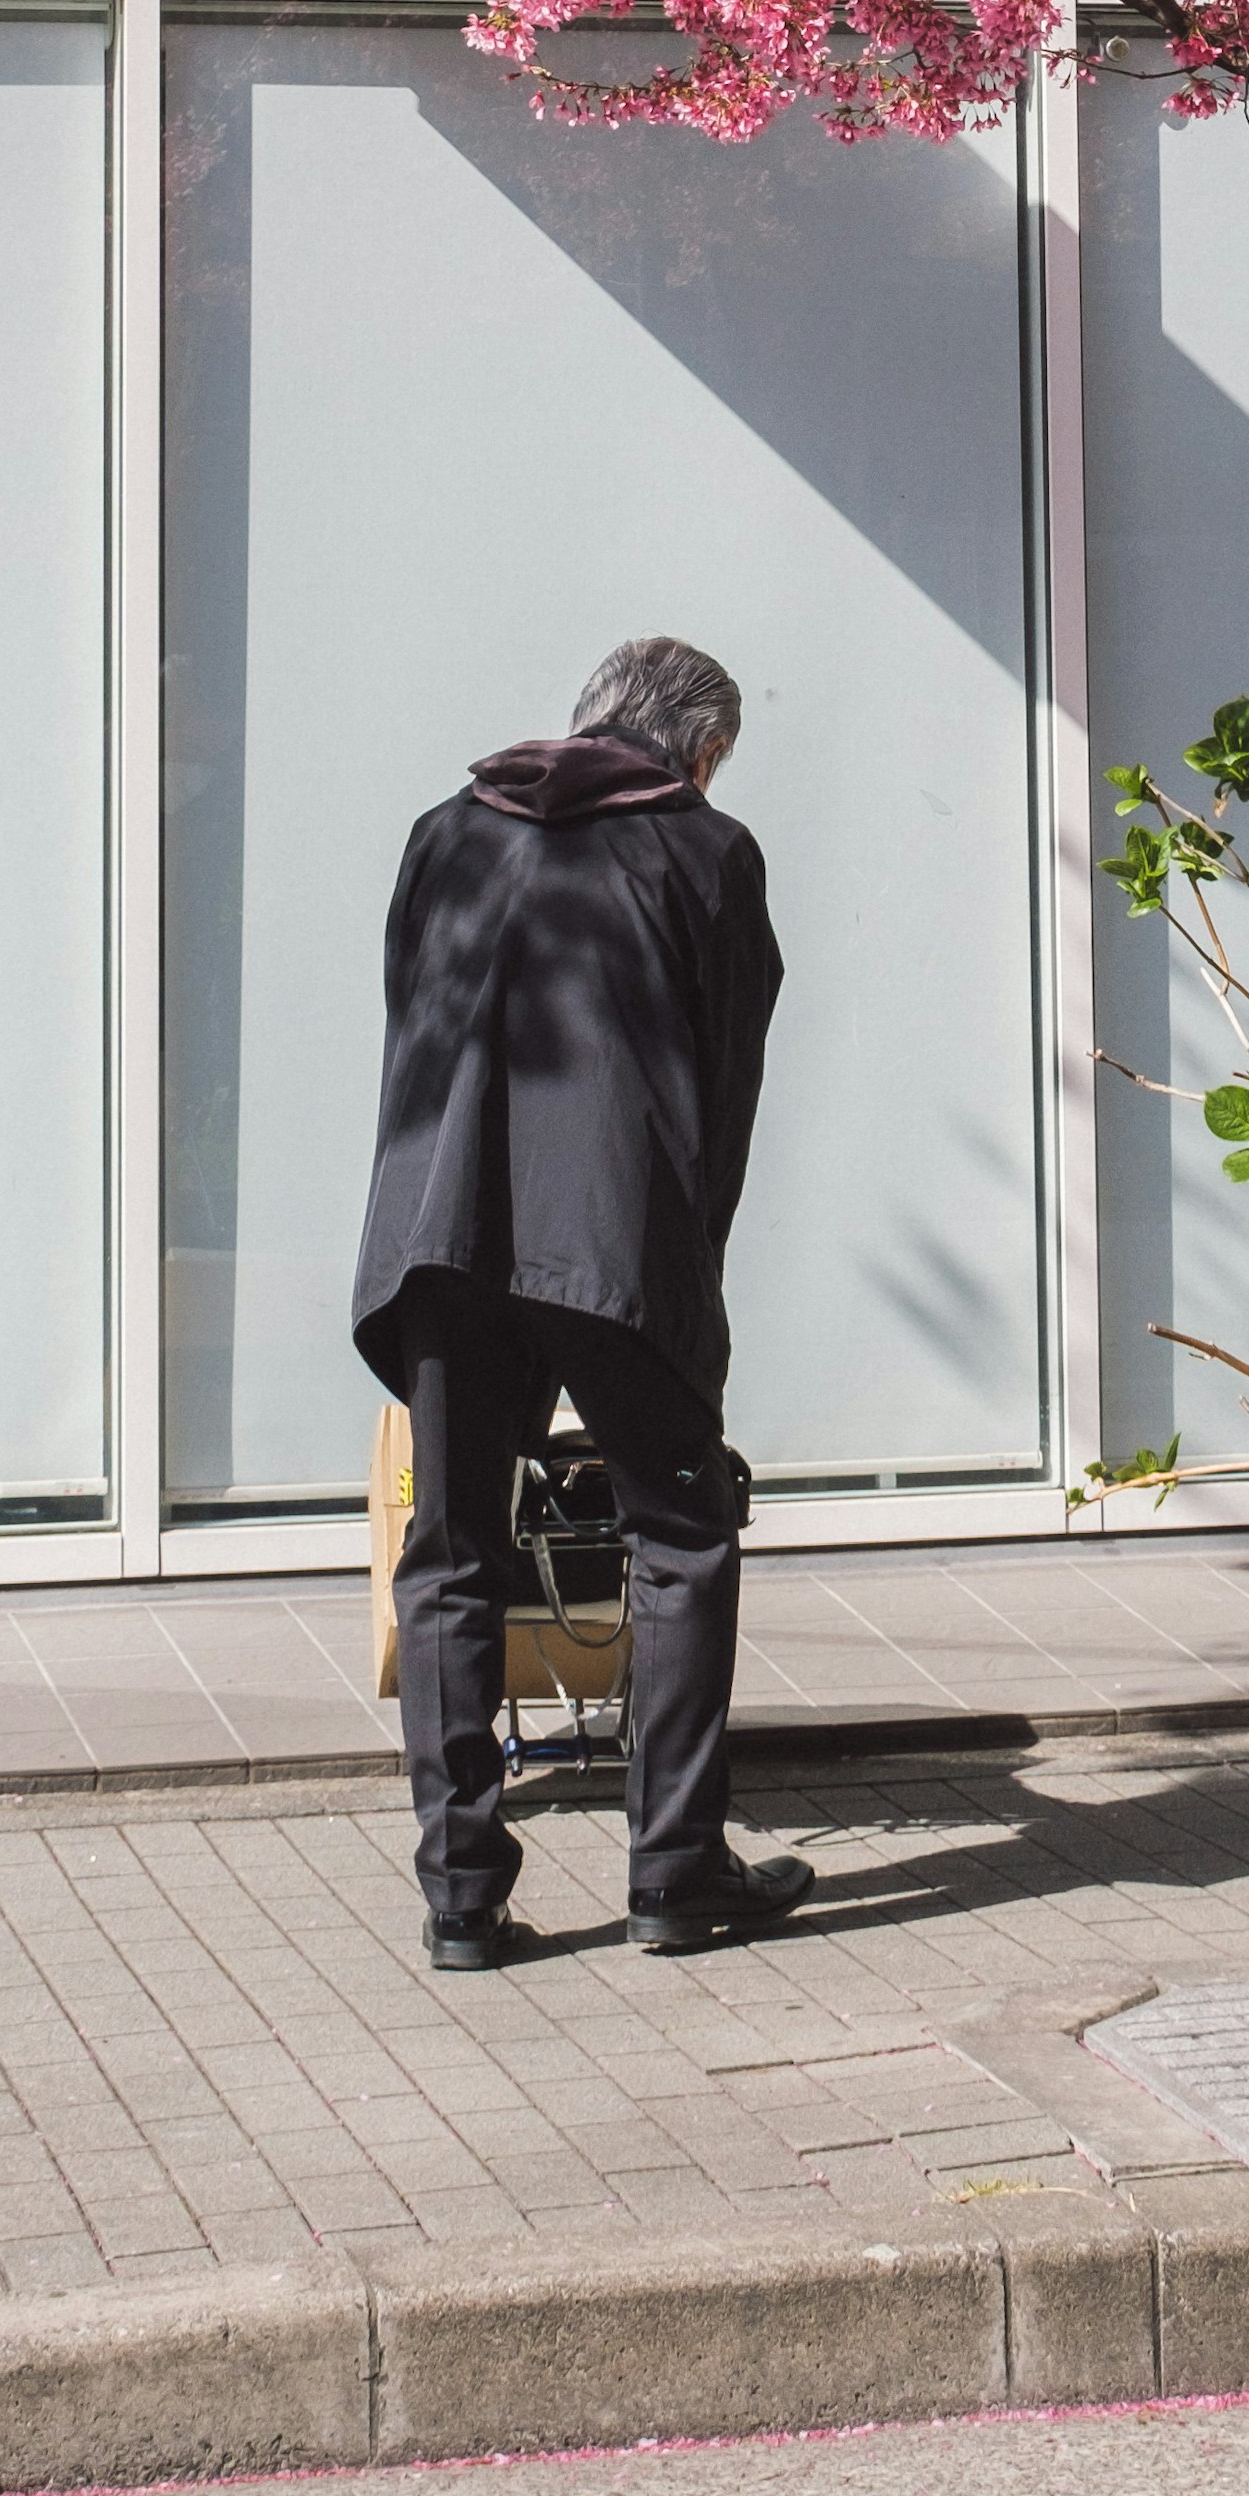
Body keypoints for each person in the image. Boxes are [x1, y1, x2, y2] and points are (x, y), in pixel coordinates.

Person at [354, 631, 809, 1970]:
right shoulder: (703, 854)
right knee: (682, 1533)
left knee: (449, 1555)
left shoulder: (447, 830)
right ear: (700, 750)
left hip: (442, 1236)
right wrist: (694, 1297)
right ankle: (673, 1874)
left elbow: (409, 1020)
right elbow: (724, 1087)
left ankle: (461, 1901)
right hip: (610, 1248)